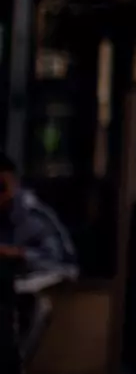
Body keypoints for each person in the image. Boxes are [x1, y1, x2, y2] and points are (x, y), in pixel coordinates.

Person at [0, 153, 77, 361]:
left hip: (43, 278)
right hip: (9, 281)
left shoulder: (31, 214)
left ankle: (17, 364)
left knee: (35, 305)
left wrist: (20, 254)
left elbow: (59, 259)